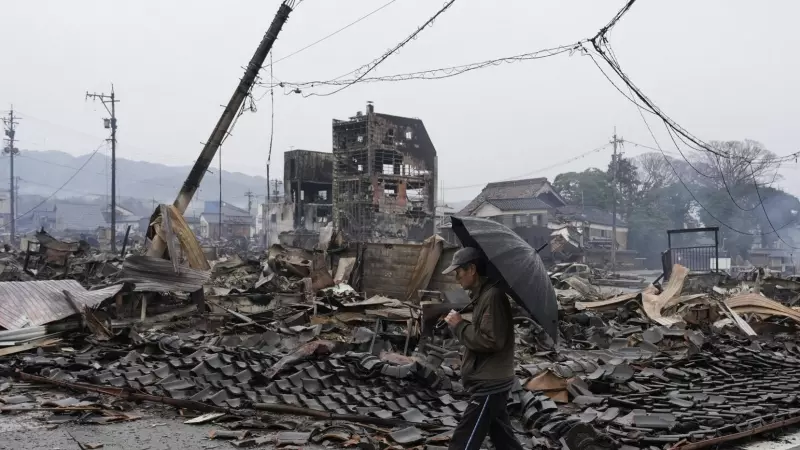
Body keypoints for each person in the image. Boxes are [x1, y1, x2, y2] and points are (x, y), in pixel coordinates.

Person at [441, 247, 523, 450]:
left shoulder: (492, 296)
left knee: (464, 440)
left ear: (471, 269)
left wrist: (460, 325)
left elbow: (491, 341)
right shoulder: (482, 296)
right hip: (492, 379)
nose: (456, 277)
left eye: (458, 271)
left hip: (490, 383)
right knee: (504, 439)